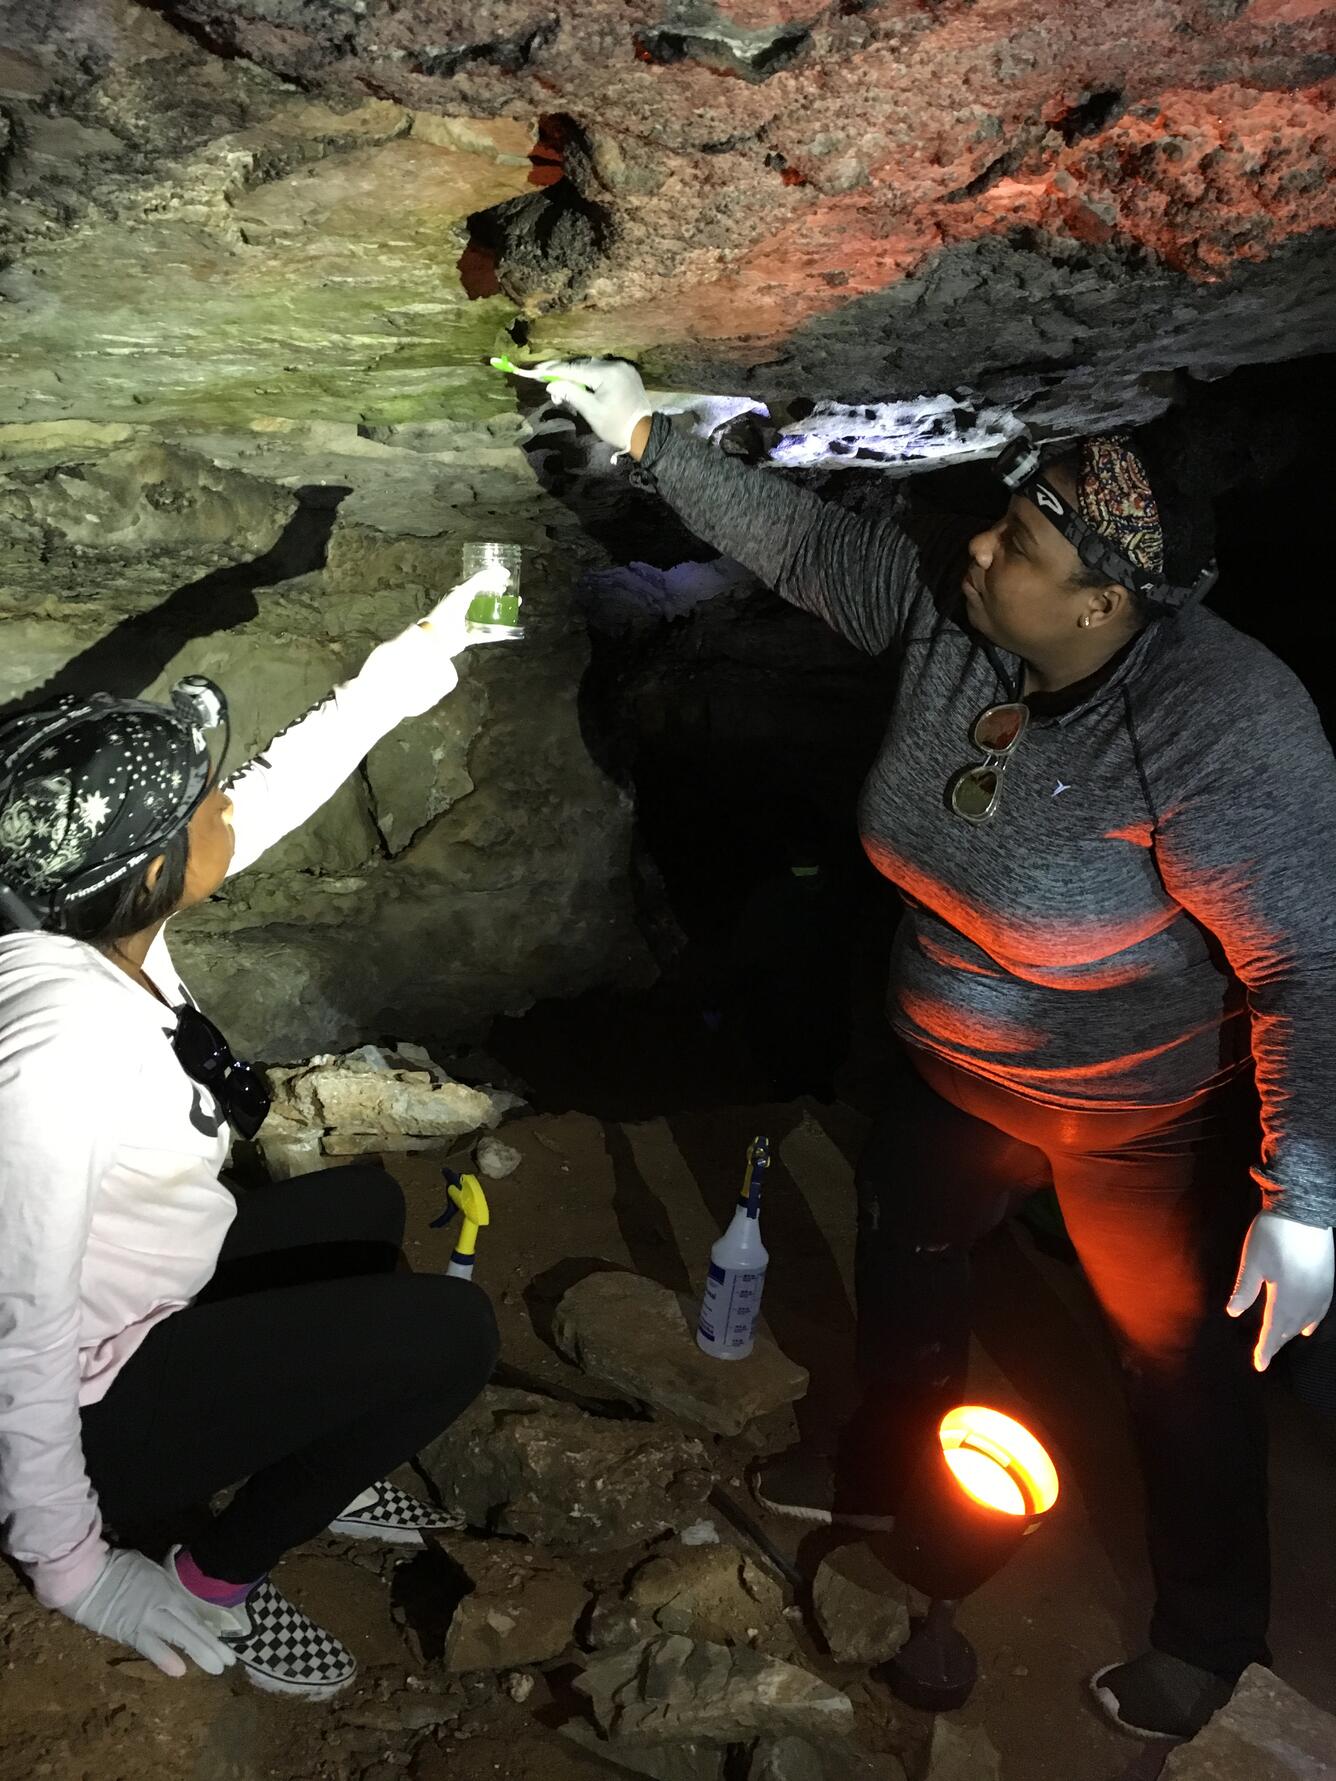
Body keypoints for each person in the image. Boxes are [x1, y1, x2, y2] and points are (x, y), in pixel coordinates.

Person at [534, 358, 1336, 1740]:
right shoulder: (952, 618)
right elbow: (804, 543)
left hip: (1129, 1104)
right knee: (907, 1266)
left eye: (1016, 540)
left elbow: (1302, 960)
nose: (976, 543)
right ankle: (883, 1479)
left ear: (1104, 601)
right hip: (951, 1058)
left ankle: (1211, 1635)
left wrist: (1306, 1192)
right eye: (997, 516)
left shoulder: (1226, 728)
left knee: (1175, 1360)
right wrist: (647, 431)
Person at [0, 566, 511, 1699]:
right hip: (89, 1400)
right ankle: (215, 1565)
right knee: (451, 1332)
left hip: (134, 1294)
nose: (228, 805)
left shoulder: (94, 916)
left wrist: (431, 642)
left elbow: (280, 785)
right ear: (150, 868)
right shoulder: (51, 1055)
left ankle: (304, 1454)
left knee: (368, 1206)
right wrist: (76, 1571)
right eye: (202, 805)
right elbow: (19, 1339)